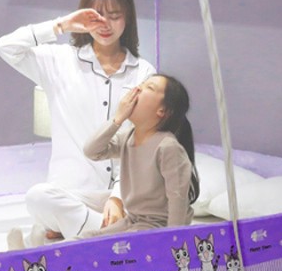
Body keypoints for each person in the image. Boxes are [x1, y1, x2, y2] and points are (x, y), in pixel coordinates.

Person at [0, 0, 155, 246]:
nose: (105, 25)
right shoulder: (59, 61)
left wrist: (117, 197)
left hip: (122, 197)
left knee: (145, 204)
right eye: (98, 16)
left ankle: (72, 232)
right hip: (69, 195)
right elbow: (6, 47)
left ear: (128, 17)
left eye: (115, 16)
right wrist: (62, 25)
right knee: (37, 197)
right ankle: (107, 234)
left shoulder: (143, 72)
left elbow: (140, 143)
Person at [77, 74, 200, 237]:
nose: (137, 89)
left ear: (162, 111)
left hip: (157, 227)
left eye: (149, 87)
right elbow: (91, 150)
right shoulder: (128, 137)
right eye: (141, 84)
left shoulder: (167, 147)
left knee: (102, 246)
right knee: (83, 239)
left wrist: (172, 240)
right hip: (132, 221)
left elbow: (178, 200)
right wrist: (117, 119)